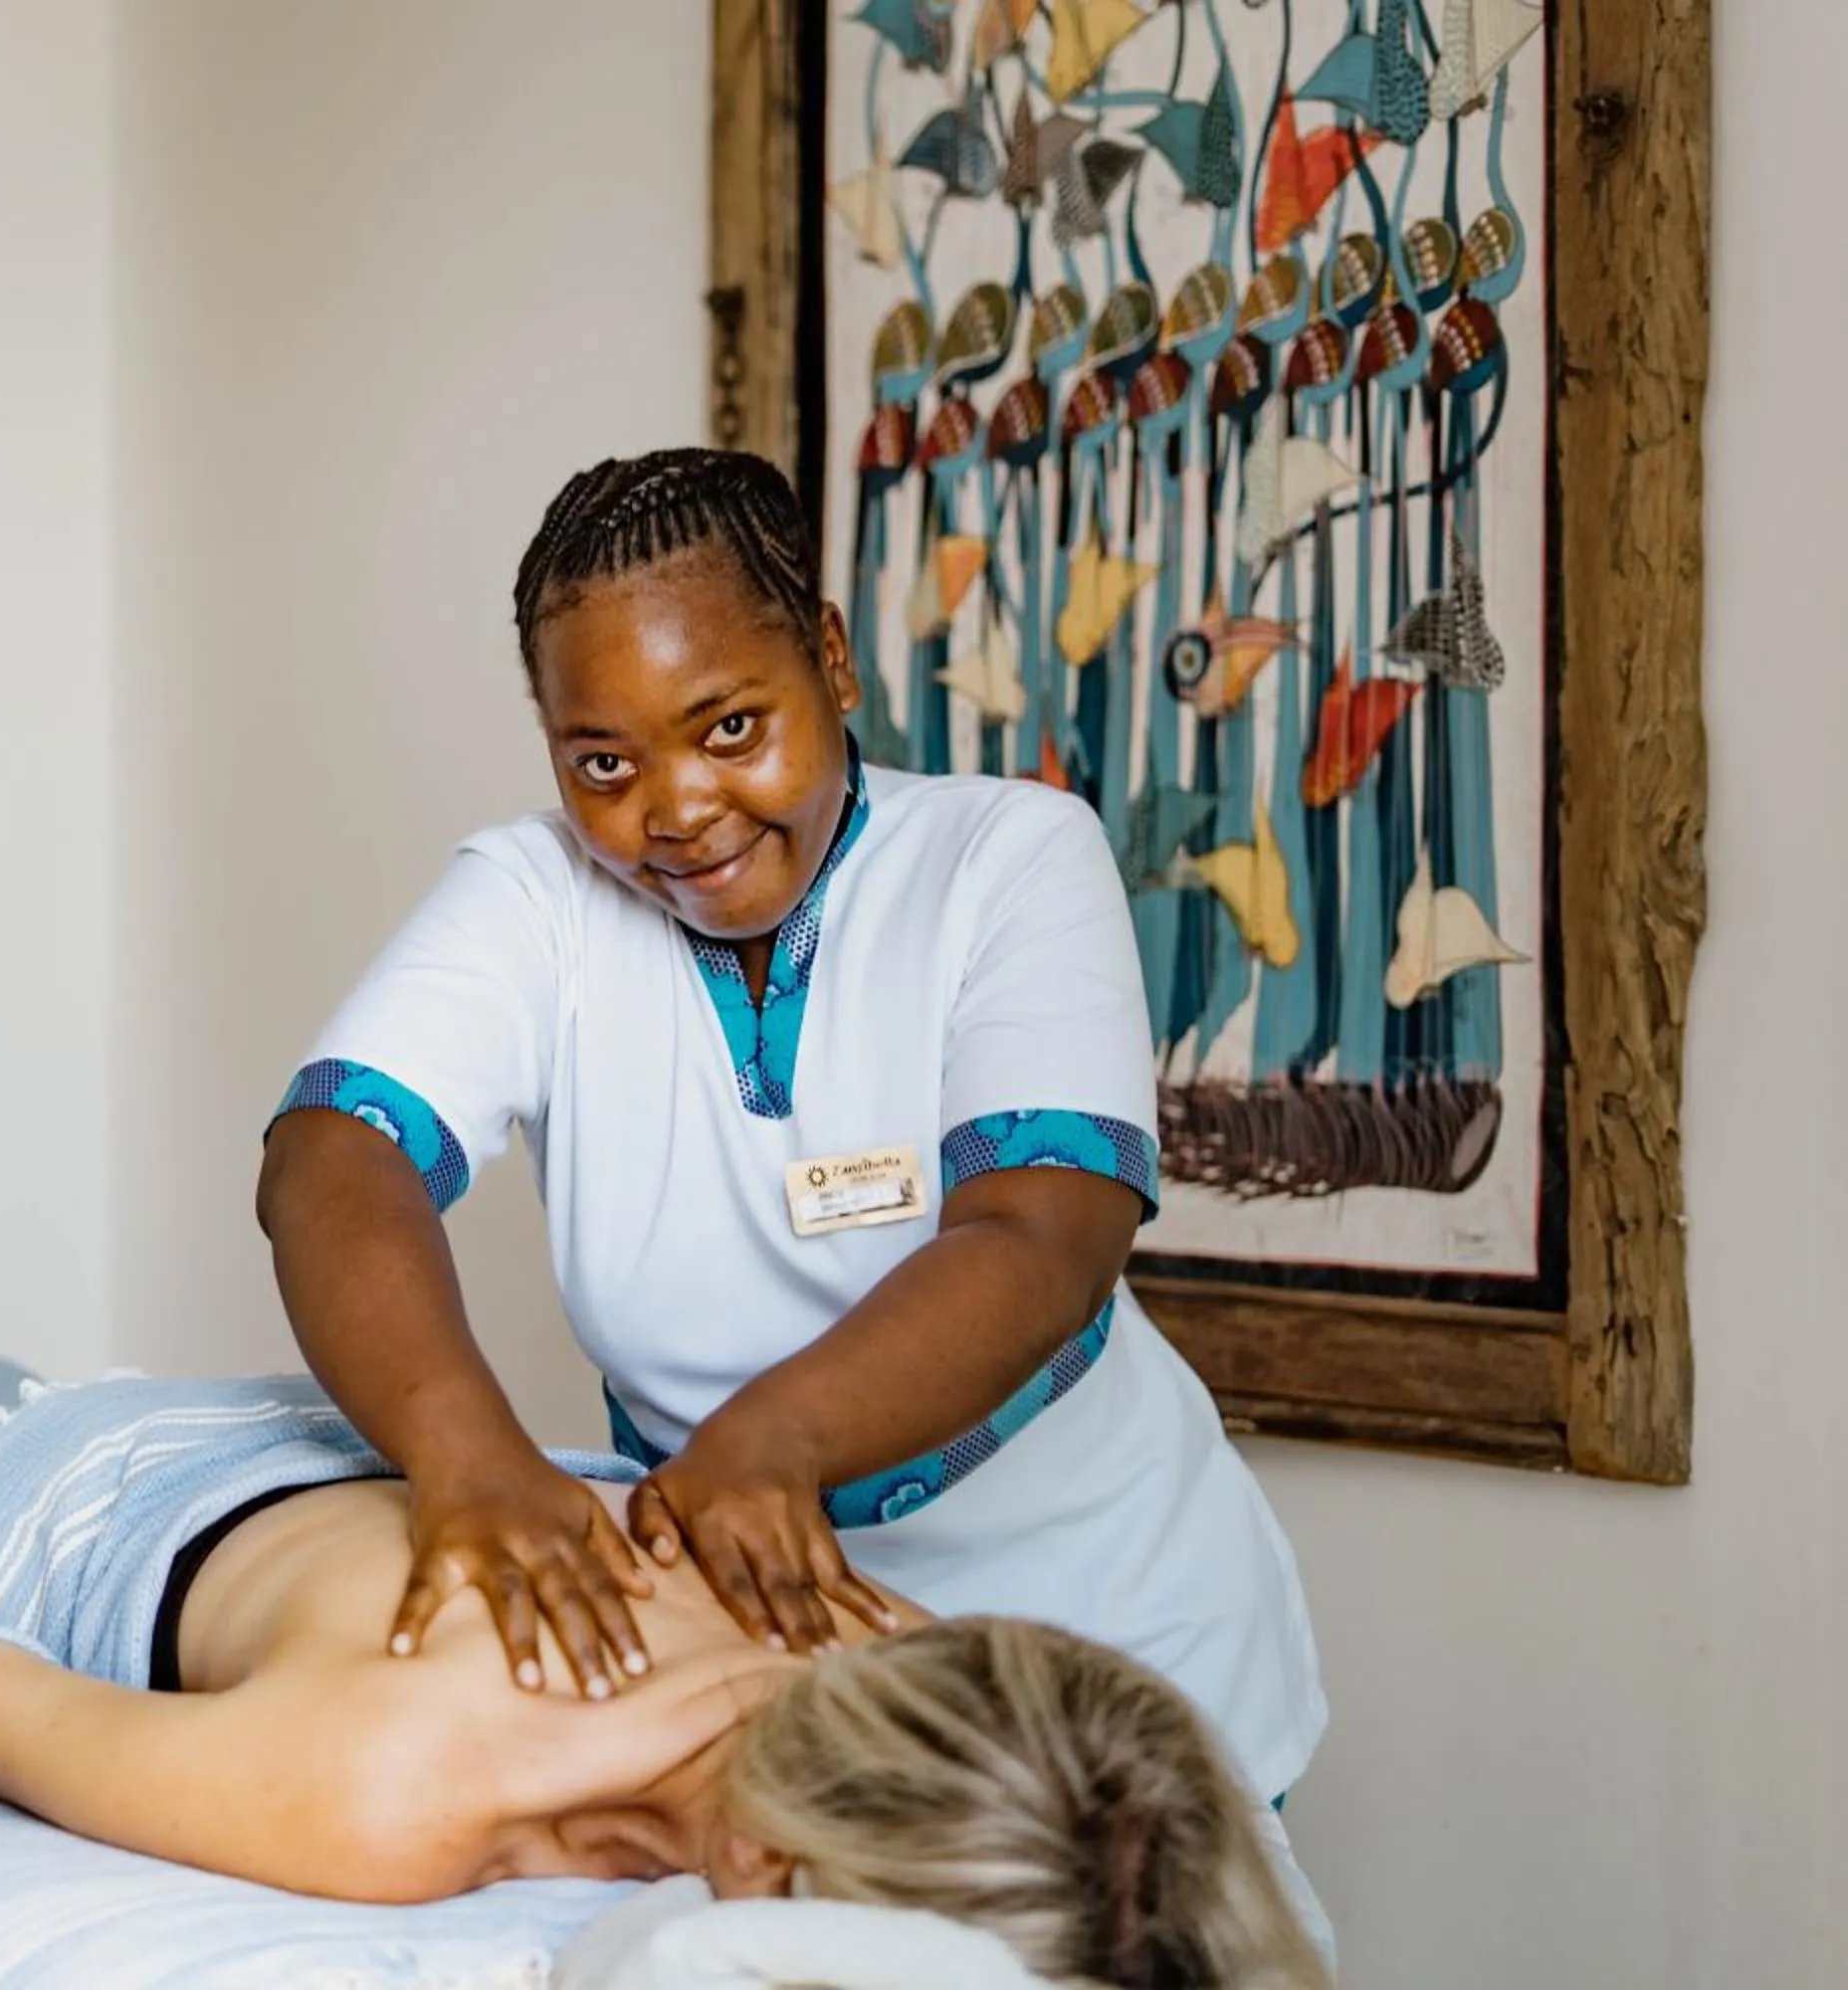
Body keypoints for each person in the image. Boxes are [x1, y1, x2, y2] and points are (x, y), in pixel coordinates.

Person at [252, 450, 1325, 1828]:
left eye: (732, 729)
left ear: (829, 660)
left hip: (1111, 1620)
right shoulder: (536, 900)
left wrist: (774, 1438)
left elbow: (1047, 1236)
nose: (677, 808)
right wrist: (468, 1458)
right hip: (764, 1649)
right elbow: (330, 1162)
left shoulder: (1007, 858)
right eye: (604, 762)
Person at [0, 1368, 1329, 1987]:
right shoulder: (382, 1787)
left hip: (360, 1460)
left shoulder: (895, 1653)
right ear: (766, 1866)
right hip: (80, 1474)